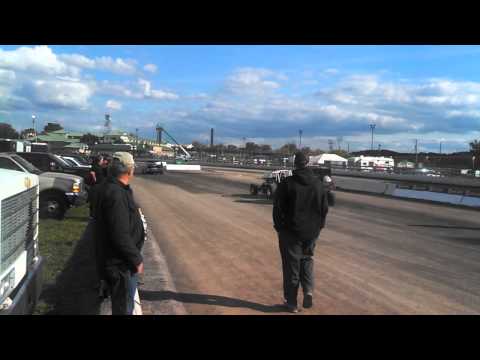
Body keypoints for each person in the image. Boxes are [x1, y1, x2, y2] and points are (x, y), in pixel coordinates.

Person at [273, 151, 329, 313]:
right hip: (311, 232)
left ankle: (291, 303)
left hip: (291, 232)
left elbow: (277, 208)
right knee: (307, 260)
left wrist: (279, 227)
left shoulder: (287, 183)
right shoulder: (318, 184)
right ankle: (308, 290)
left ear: (295, 164)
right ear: (308, 163)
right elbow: (324, 209)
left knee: (291, 267)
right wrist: (319, 227)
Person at [93, 152, 145, 315]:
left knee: (124, 304)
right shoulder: (116, 194)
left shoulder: (111, 188)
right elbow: (119, 233)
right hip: (121, 264)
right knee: (123, 307)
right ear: (129, 170)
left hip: (116, 260)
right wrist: (136, 259)